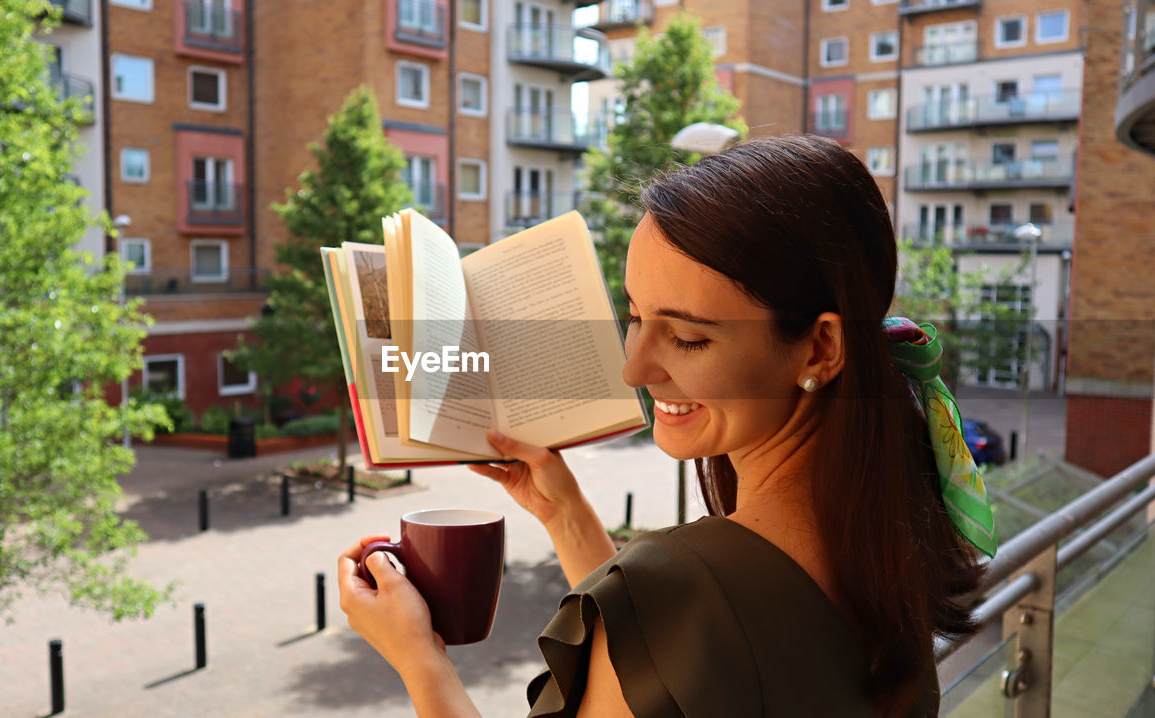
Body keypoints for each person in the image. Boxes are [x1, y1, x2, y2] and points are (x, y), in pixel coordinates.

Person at [337, 135, 996, 718]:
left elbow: (681, 632)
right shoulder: (888, 543)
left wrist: (420, 658)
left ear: (820, 348)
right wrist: (565, 514)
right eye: (635, 316)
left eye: (686, 337)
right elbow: (682, 670)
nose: (634, 369)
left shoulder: (680, 587)